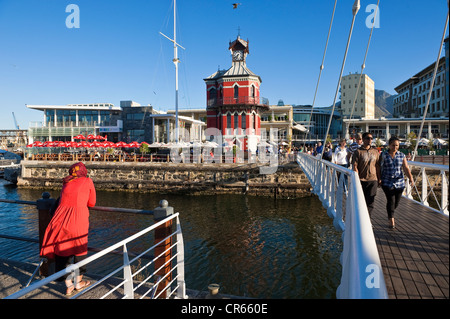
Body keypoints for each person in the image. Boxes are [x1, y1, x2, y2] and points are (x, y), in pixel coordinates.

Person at [40, 162, 96, 295]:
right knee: (79, 250)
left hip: (60, 220)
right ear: (84, 171)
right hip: (77, 220)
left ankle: (68, 284)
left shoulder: (66, 182)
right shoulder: (87, 181)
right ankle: (78, 283)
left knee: (62, 252)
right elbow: (92, 203)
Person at [380, 136, 414, 229]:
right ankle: (391, 220)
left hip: (399, 182)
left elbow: (406, 168)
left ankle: (390, 212)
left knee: (396, 202)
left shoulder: (401, 155)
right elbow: (379, 167)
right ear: (389, 145)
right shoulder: (383, 155)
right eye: (393, 145)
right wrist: (379, 179)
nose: (395, 147)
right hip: (387, 181)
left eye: (397, 145)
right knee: (391, 200)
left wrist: (411, 178)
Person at [352, 132, 381, 218]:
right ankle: (360, 218)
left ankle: (367, 219)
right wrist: (357, 179)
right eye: (368, 138)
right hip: (362, 180)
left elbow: (378, 166)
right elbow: (354, 166)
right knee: (362, 201)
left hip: (373, 179)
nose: (370, 140)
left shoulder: (375, 152)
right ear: (363, 139)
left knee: (371, 201)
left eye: (371, 138)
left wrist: (379, 178)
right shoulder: (358, 152)